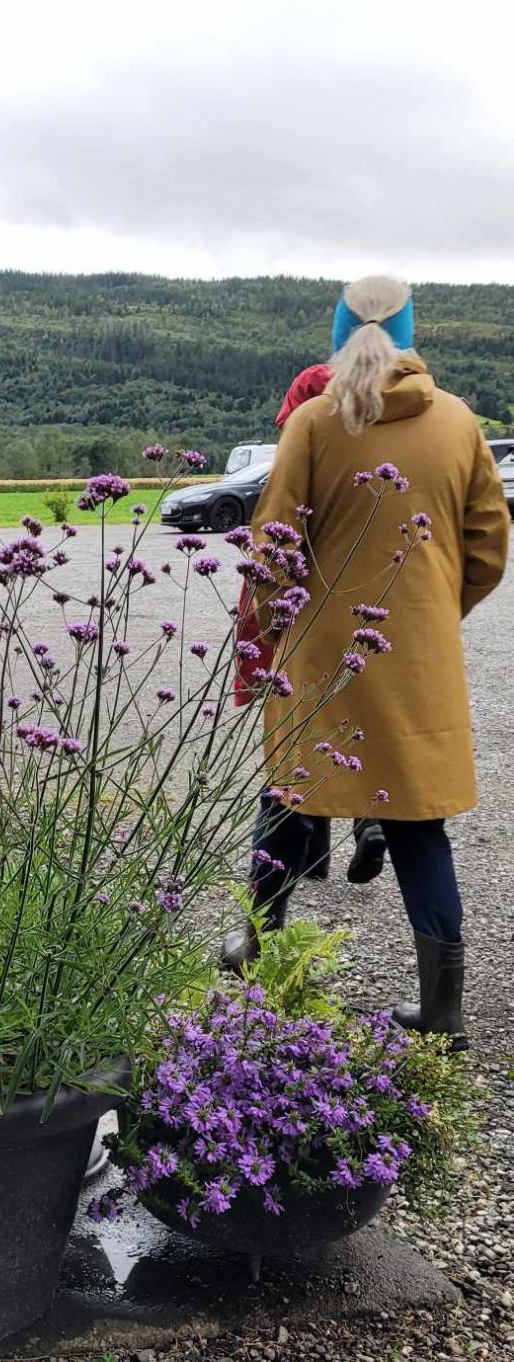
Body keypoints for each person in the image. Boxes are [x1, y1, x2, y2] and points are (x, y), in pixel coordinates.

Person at [221, 274, 509, 1048]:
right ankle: (443, 1010)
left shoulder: (314, 422)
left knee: (286, 801)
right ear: (412, 334)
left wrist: (283, 626)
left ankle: (257, 947)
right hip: (418, 662)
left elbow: (272, 546)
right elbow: (489, 546)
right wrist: (430, 614)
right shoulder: (459, 423)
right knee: (420, 827)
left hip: (319, 658)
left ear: (339, 332)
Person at [233, 362, 387, 890]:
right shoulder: (382, 449)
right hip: (371, 599)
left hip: (307, 609)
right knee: (355, 717)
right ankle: (367, 820)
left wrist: (268, 626)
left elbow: (275, 547)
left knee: (293, 750)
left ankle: (262, 919)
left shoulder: (305, 422)